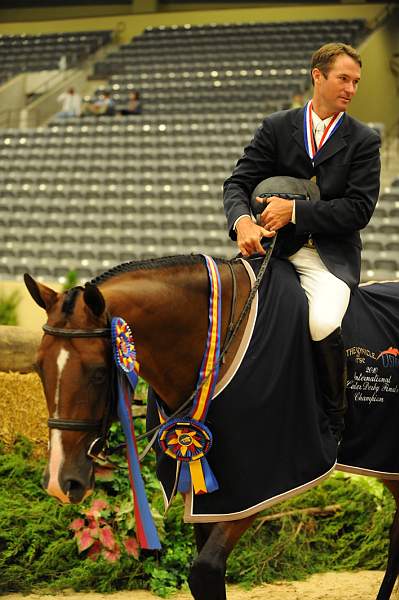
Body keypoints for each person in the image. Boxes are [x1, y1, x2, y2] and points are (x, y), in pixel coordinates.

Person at [223, 42, 381, 443]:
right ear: (318, 76)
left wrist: (294, 213)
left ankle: (334, 419)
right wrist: (242, 222)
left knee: (322, 320)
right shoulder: (278, 126)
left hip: (327, 257)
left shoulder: (363, 140)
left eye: (356, 82)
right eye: (343, 78)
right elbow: (238, 183)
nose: (350, 88)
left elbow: (358, 210)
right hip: (272, 249)